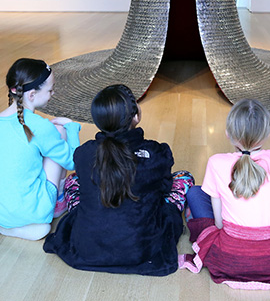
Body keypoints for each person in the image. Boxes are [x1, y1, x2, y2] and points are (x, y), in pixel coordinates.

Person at [43, 84, 193, 276]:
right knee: (184, 177)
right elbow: (164, 188)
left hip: (88, 247)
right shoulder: (156, 153)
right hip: (142, 248)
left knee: (74, 181)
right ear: (136, 116)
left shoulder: (84, 153)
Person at [180, 99, 270, 289]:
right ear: (267, 134)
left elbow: (220, 224)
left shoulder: (216, 162)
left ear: (228, 134)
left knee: (195, 192)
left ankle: (192, 217)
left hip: (231, 255)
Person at [0, 59, 80, 241]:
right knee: (60, 131)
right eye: (50, 90)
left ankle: (13, 225)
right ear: (32, 95)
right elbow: (74, 161)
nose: (53, 93)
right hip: (34, 210)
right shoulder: (39, 126)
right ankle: (57, 203)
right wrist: (72, 128)